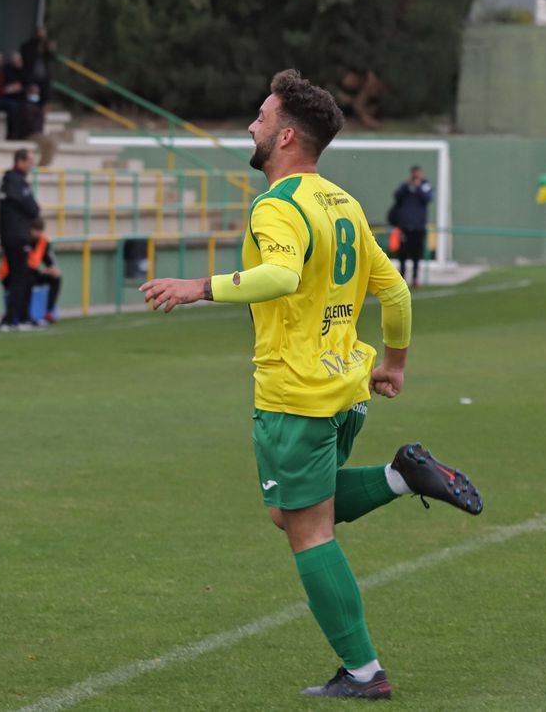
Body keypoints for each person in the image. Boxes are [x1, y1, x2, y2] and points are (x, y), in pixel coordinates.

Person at [138, 69, 484, 700]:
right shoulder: (344, 204)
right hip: (346, 391)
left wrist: (197, 287)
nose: (253, 124)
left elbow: (279, 275)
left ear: (287, 135)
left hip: (294, 394)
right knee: (290, 510)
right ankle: (403, 474)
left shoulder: (279, 205)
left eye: (262, 117)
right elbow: (397, 291)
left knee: (307, 529)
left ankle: (362, 671)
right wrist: (395, 365)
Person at [0, 147, 40, 328]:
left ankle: (18, 316)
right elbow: (33, 209)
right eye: (30, 160)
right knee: (20, 277)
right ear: (20, 161)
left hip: (11, 235)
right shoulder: (15, 181)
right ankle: (16, 318)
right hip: (17, 236)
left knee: (20, 277)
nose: (32, 164)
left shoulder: (11, 181)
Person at [0, 218, 60, 325]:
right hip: (9, 274)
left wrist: (51, 268)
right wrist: (40, 272)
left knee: (55, 278)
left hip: (29, 273)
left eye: (40, 230)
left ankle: (47, 312)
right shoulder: (21, 240)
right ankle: (18, 317)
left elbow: (45, 259)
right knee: (25, 281)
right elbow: (21, 264)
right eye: (35, 230)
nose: (37, 233)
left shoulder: (42, 242)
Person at [388, 166, 432, 288]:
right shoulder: (405, 186)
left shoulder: (425, 185)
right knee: (403, 254)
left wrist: (418, 187)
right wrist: (407, 185)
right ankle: (401, 278)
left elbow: (427, 198)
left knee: (416, 254)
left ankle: (415, 278)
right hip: (405, 227)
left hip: (419, 227)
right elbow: (396, 197)